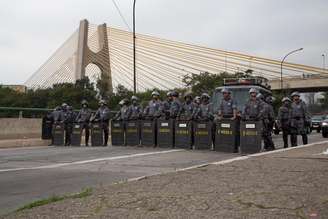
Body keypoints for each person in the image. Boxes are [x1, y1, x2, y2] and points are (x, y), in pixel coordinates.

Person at [217, 87, 239, 153]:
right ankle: (224, 146)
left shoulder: (232, 100)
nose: (223, 94)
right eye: (223, 93)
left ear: (228, 93)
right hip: (224, 117)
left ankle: (235, 148)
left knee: (234, 133)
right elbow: (220, 109)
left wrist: (234, 116)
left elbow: (234, 108)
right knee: (224, 132)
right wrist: (219, 116)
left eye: (225, 93)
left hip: (231, 117)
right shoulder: (222, 100)